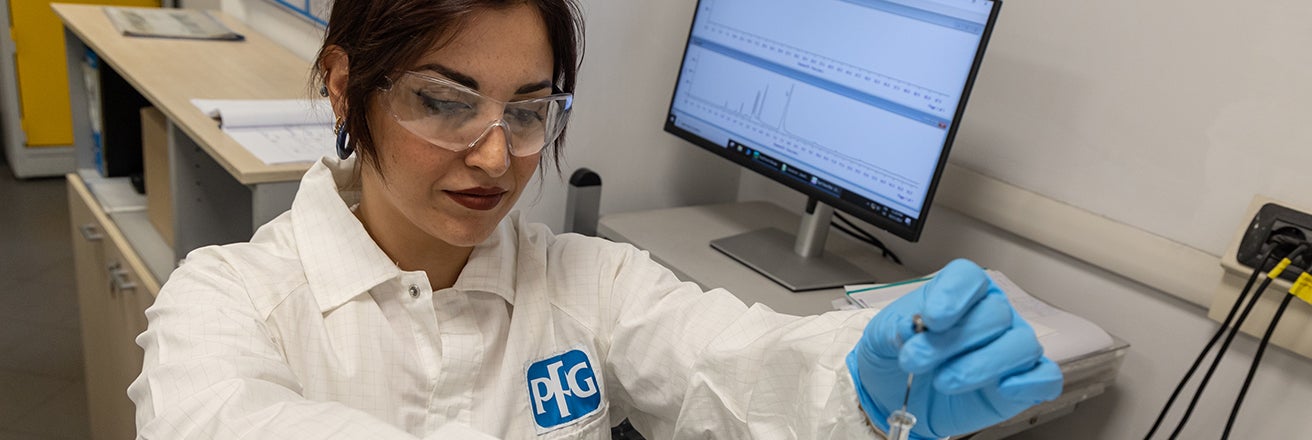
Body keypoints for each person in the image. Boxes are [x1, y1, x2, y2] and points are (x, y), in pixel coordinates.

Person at [128, 0, 1063, 438]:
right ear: (344, 87)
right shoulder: (227, 302)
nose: (495, 157)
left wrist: (859, 382)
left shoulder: (590, 283)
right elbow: (220, 421)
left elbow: (733, 365)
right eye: (444, 102)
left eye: (529, 111)